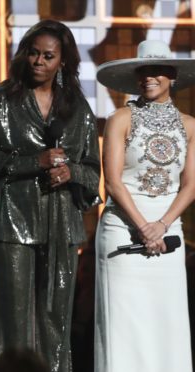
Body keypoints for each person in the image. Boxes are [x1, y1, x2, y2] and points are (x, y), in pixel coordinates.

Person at [0, 19, 101, 371]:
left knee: (55, 321)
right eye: (33, 53)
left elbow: (93, 174)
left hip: (61, 225)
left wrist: (71, 172)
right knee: (12, 322)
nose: (39, 61)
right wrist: (34, 162)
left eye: (48, 55)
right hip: (9, 223)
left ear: (63, 61)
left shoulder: (78, 110)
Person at [94, 39, 195, 372]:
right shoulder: (120, 118)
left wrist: (161, 225)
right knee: (125, 326)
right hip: (123, 230)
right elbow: (113, 182)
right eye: (143, 71)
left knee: (167, 325)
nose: (149, 77)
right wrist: (144, 227)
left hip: (168, 234)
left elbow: (191, 185)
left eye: (156, 70)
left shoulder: (191, 125)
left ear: (172, 75)